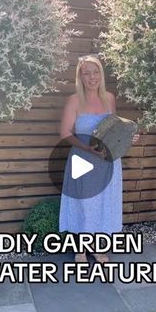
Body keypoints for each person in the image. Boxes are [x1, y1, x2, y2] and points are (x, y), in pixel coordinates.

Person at [59, 55, 139, 263]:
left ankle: (96, 247)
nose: (92, 77)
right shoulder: (75, 100)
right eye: (87, 73)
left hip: (108, 162)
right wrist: (87, 148)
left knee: (102, 203)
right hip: (84, 160)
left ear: (101, 75)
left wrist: (130, 136)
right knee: (84, 204)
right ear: (80, 76)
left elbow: (114, 129)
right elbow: (65, 133)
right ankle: (80, 249)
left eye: (96, 72)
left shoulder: (109, 98)